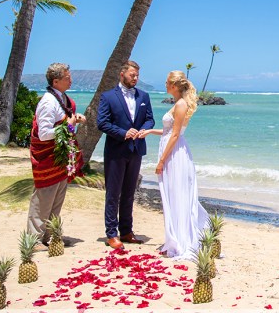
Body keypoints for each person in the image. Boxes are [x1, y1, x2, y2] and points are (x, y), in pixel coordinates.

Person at [138, 70, 209, 259]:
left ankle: (181, 239)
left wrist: (161, 161)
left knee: (177, 194)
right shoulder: (179, 104)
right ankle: (175, 237)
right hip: (173, 150)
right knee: (173, 194)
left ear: (175, 86)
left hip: (175, 154)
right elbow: (170, 131)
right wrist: (151, 131)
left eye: (168, 83)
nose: (165, 85)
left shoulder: (180, 105)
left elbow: (176, 135)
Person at [27, 63, 86, 250]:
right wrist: (69, 125)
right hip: (48, 157)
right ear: (56, 81)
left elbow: (65, 126)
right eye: (68, 77)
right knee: (43, 198)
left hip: (60, 157)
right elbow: (44, 134)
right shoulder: (48, 102)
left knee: (56, 199)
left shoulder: (62, 99)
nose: (71, 80)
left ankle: (51, 235)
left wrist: (74, 121)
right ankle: (34, 239)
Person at [97, 60, 155, 249]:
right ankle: (111, 233)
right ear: (122, 74)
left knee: (130, 192)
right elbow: (102, 123)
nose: (135, 78)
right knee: (113, 193)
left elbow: (150, 119)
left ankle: (127, 231)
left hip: (136, 150)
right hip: (116, 150)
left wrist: (143, 130)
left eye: (137, 75)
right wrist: (123, 133)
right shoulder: (108, 97)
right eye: (132, 75)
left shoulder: (144, 96)